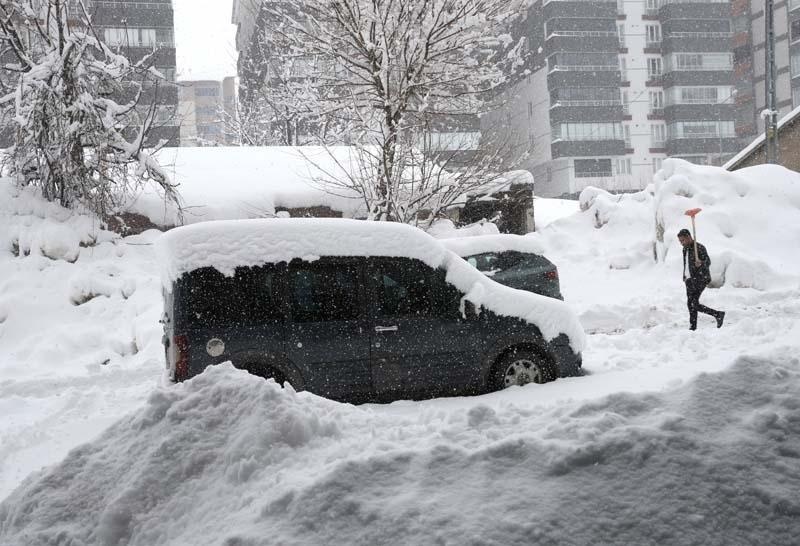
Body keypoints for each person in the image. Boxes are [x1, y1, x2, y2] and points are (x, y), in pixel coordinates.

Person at [677, 229, 725, 330]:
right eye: (680, 241)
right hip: (689, 279)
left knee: (694, 303)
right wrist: (685, 274)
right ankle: (693, 327)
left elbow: (708, 261)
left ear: (689, 237)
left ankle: (717, 314)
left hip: (700, 278)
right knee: (690, 304)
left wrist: (701, 263)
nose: (681, 243)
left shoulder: (699, 247)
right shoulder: (685, 249)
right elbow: (686, 263)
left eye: (683, 240)